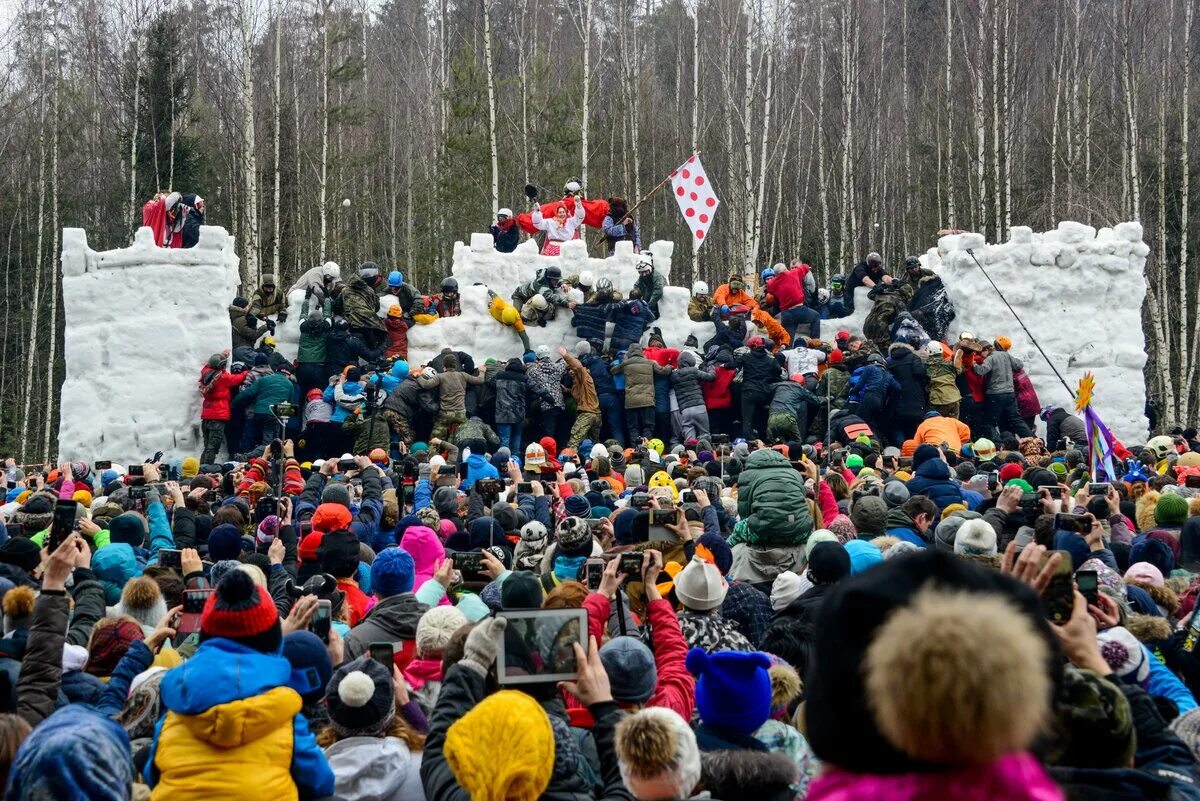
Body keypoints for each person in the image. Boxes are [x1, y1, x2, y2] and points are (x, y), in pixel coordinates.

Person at [143, 570, 335, 800]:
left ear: (205, 635)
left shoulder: (176, 707)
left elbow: (152, 776)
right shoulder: (286, 713)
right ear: (273, 640)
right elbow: (321, 783)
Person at [611, 343, 672, 442]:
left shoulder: (626, 363)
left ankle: (635, 450)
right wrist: (669, 366)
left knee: (633, 428)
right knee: (648, 427)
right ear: (641, 352)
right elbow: (663, 371)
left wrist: (622, 360)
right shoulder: (649, 362)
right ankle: (646, 449)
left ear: (629, 352)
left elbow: (613, 370)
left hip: (631, 402)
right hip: (647, 401)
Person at [973, 340, 1033, 439]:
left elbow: (981, 371)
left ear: (986, 349)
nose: (982, 356)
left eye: (981, 352)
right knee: (1016, 420)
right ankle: (1033, 440)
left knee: (989, 423)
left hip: (995, 394)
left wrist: (974, 364)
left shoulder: (990, 358)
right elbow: (1019, 365)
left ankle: (998, 444)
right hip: (1010, 393)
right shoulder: (1006, 355)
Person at [416, 357, 485, 440]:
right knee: (463, 437)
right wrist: (482, 371)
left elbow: (426, 385)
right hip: (461, 414)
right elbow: (480, 380)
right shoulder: (463, 375)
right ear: (455, 365)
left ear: (444, 365)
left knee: (435, 440)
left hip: (445, 414)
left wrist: (418, 376)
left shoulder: (440, 377)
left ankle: (433, 451)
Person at [199, 353, 249, 464]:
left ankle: (202, 468)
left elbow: (207, 366)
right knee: (213, 447)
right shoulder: (222, 377)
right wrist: (246, 371)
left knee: (207, 446)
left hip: (206, 415)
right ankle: (206, 471)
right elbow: (237, 378)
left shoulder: (205, 373)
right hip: (218, 416)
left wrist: (221, 355)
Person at [767, 261, 820, 341]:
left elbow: (770, 289)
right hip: (799, 310)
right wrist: (807, 267)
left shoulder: (772, 284)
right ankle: (815, 342)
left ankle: (785, 352)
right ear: (785, 269)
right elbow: (804, 266)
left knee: (788, 340)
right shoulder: (794, 273)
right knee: (816, 316)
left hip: (786, 314)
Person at [343, 262, 386, 349]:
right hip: (368, 324)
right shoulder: (370, 290)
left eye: (370, 272)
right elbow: (376, 307)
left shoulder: (345, 290)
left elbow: (337, 305)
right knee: (380, 339)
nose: (367, 275)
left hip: (353, 324)